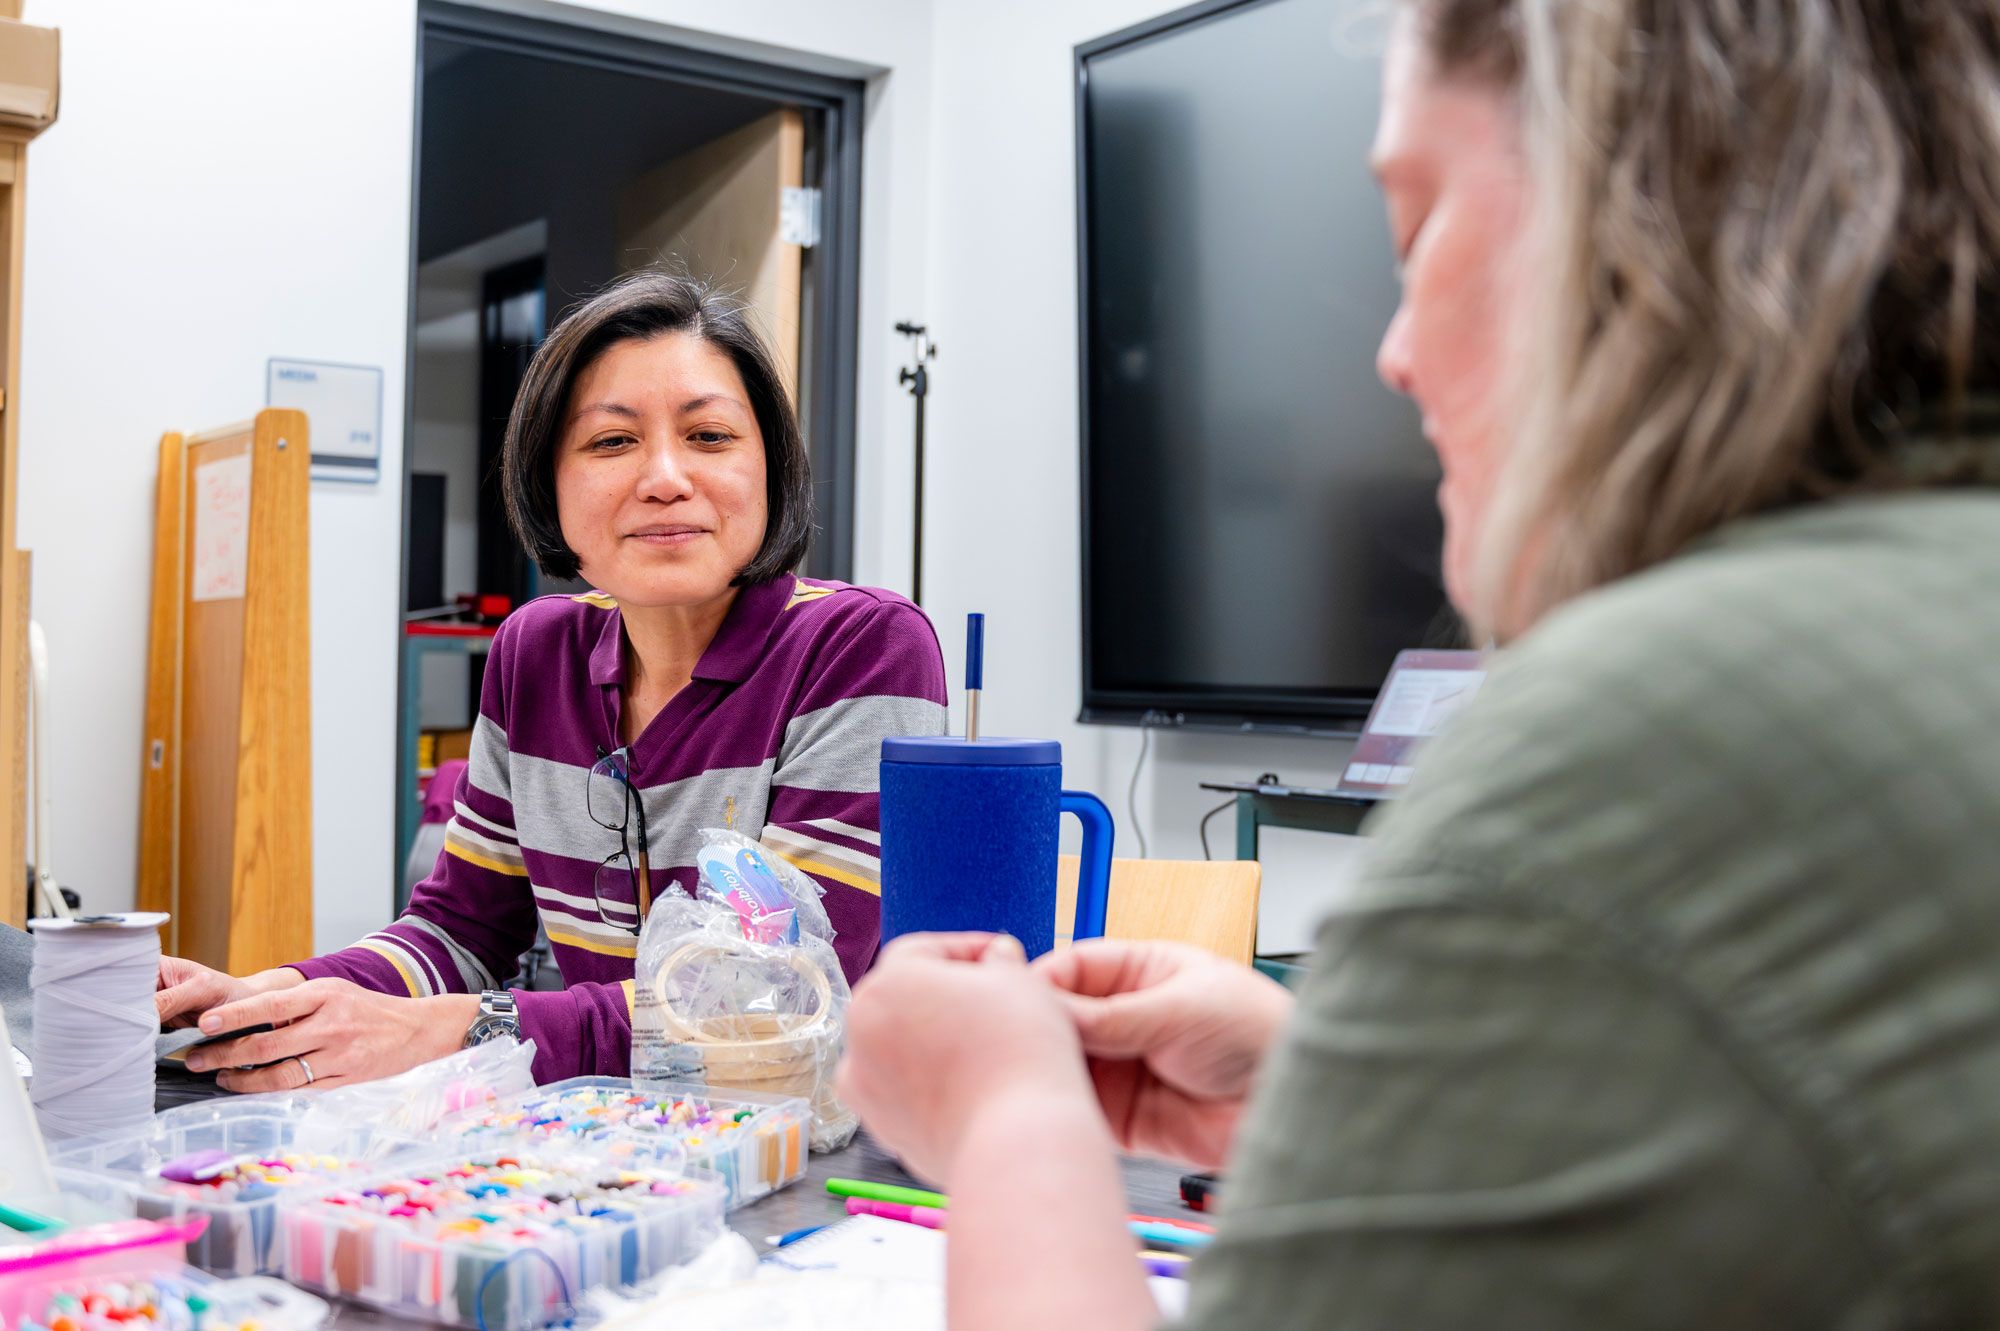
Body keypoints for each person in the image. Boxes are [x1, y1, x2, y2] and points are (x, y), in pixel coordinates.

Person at [836, 1, 2000, 1327]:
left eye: (1416, 225)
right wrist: (1323, 1089)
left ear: (1637, 202)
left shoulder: (1643, 731)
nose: (1389, 352)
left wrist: (1005, 1122)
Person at [156, 270, 947, 1090]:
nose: (666, 476)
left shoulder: (865, 648)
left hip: (808, 1154)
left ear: (771, 470)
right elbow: (458, 932)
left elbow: (767, 1007)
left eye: (709, 436)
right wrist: (272, 999)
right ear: (550, 484)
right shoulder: (535, 652)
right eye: (612, 441)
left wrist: (457, 1029)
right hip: (608, 1152)